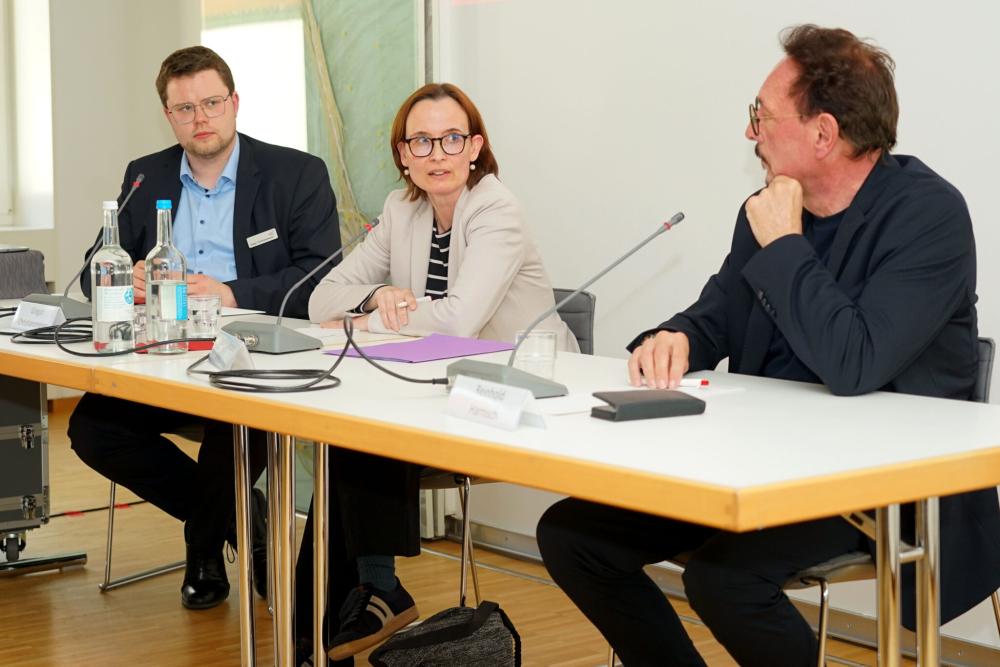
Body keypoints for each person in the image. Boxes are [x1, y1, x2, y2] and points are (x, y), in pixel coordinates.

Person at [536, 25, 1000, 667]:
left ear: (824, 134)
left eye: (761, 116)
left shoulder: (928, 215)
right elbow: (715, 318)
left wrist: (785, 244)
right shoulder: (767, 210)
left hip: (872, 485)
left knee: (725, 578)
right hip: (761, 467)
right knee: (570, 536)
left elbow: (855, 363)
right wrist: (674, 337)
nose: (750, 133)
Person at [297, 82, 578, 664]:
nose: (436, 154)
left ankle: (354, 604)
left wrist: (376, 315)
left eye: (451, 138)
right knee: (345, 430)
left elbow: (460, 320)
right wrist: (378, 295)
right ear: (403, 155)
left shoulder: (497, 209)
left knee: (359, 432)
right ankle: (342, 611)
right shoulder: (403, 209)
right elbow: (321, 299)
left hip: (523, 390)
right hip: (439, 386)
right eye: (420, 142)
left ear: (475, 147)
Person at [68, 46, 341, 610]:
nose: (201, 119)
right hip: (164, 360)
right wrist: (129, 276)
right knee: (92, 430)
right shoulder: (145, 176)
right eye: (185, 108)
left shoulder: (296, 174)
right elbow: (94, 273)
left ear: (234, 102)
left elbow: (322, 277)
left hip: (253, 362)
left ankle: (202, 546)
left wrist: (231, 292)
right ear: (169, 115)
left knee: (235, 425)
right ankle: (243, 521)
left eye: (212, 103)